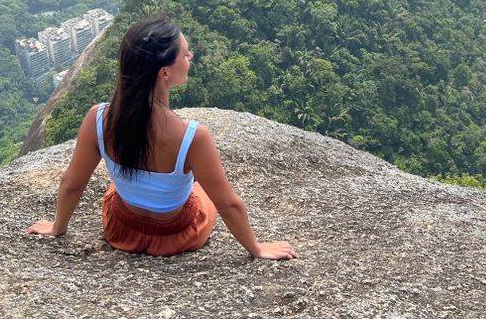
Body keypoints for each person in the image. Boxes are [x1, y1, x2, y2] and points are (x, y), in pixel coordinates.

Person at [27, 15, 297, 260]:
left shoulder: (98, 119)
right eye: (184, 54)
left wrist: (57, 227)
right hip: (178, 235)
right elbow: (228, 203)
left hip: (121, 230)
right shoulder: (192, 137)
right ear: (164, 72)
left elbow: (72, 183)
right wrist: (256, 249)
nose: (190, 55)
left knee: (114, 189)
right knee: (202, 189)